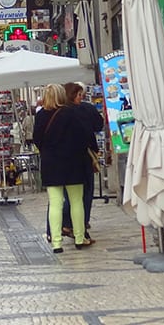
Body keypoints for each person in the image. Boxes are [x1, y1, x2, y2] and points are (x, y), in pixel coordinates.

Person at [33, 83, 98, 253]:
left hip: (51, 165)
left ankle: (56, 242)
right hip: (73, 163)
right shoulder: (72, 113)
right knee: (77, 202)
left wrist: (48, 151)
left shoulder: (40, 117)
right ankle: (79, 238)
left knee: (55, 203)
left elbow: (37, 140)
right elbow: (84, 137)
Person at [59, 82, 103, 241]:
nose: (81, 98)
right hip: (82, 158)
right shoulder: (84, 110)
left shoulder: (57, 112)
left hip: (62, 161)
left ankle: (64, 225)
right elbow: (97, 126)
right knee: (83, 195)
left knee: (66, 196)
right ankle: (79, 228)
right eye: (79, 95)